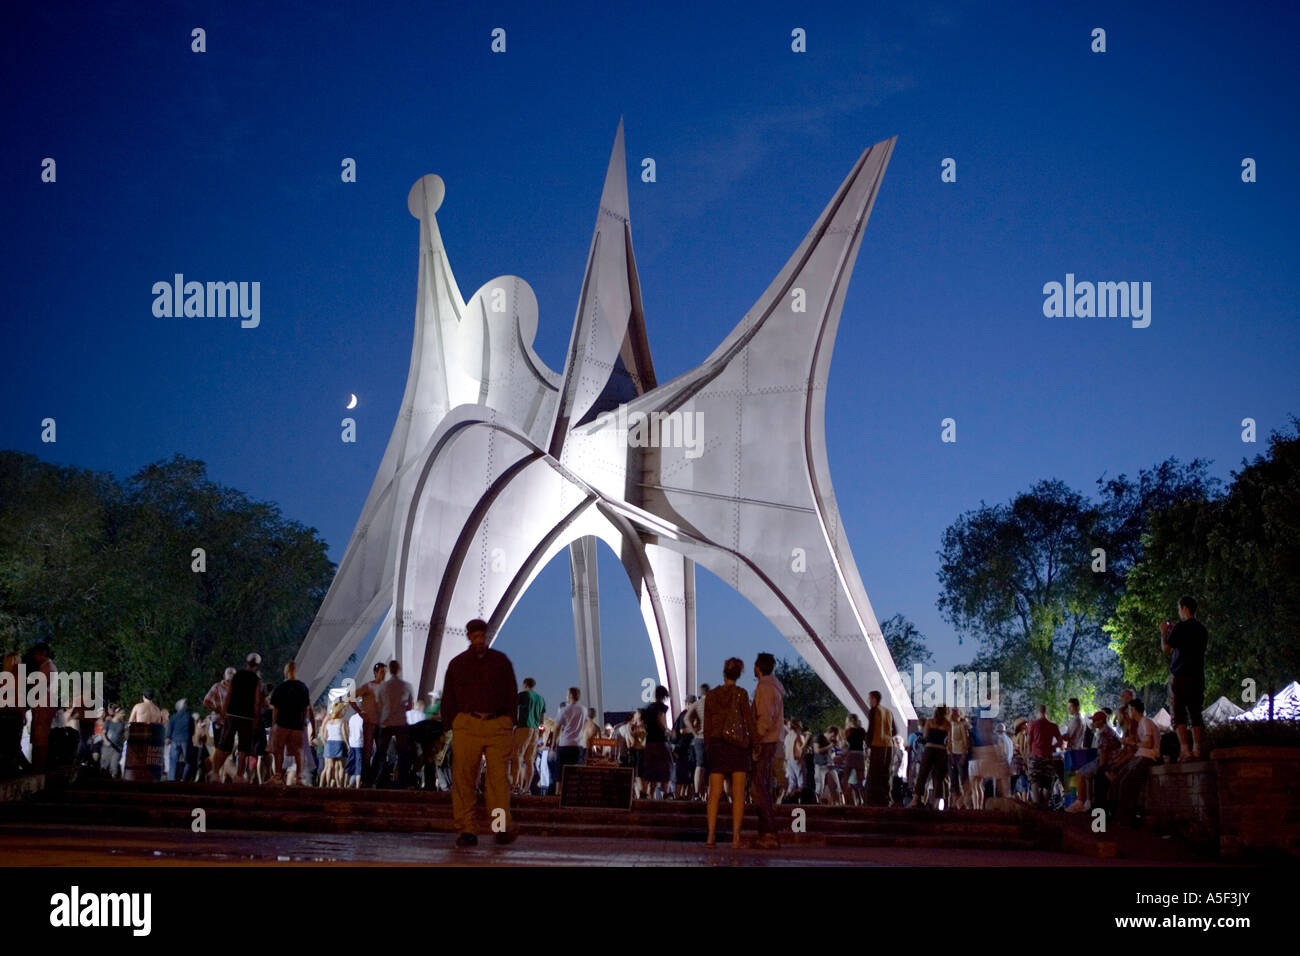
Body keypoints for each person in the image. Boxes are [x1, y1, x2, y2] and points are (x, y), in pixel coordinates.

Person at [441, 619, 519, 847]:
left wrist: (509, 719)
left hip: (496, 725)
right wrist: (451, 723)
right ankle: (467, 830)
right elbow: (449, 697)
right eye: (475, 636)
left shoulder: (500, 661)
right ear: (469, 637)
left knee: (497, 781)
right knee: (464, 779)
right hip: (468, 723)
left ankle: (499, 827)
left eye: (482, 636)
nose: (479, 640)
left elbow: (511, 691)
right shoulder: (457, 664)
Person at [703, 658, 757, 848]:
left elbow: (707, 725)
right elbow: (749, 723)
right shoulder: (741, 694)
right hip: (737, 748)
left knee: (715, 793)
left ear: (723, 673)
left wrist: (709, 746)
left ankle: (710, 836)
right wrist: (754, 744)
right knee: (738, 794)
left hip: (717, 746)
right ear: (739, 674)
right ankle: (735, 838)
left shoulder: (711, 695)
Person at [1161, 596, 1208, 761]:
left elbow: (1166, 648)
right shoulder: (1202, 629)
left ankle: (1185, 750)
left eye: (1179, 608)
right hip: (1197, 676)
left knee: (1179, 713)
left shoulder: (1180, 627)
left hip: (1181, 677)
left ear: (1184, 608)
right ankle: (1197, 749)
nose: (1179, 612)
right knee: (1196, 712)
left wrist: (1164, 632)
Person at [208, 654, 264, 783]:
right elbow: (256, 701)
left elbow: (229, 694)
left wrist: (224, 711)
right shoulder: (256, 680)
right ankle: (239, 775)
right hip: (247, 716)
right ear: (257, 665)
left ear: (246, 662)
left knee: (223, 744)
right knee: (244, 747)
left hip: (232, 714)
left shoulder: (237, 676)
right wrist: (256, 718)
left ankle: (215, 773)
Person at [750, 652, 785, 848]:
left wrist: (756, 740)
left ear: (759, 667)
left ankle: (769, 833)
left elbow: (764, 717)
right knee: (763, 787)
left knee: (758, 788)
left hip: (765, 742)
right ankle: (766, 833)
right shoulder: (775, 687)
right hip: (773, 741)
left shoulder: (764, 688)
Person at [1110, 698, 1160, 825]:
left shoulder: (1146, 722)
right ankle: (1117, 814)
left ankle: (1125, 818)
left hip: (1147, 757)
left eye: (1129, 711)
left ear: (1134, 710)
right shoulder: (1141, 724)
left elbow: (1148, 744)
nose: (1128, 714)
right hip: (1140, 757)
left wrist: (1134, 743)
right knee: (1119, 779)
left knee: (1127, 781)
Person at [267, 662, 313, 785]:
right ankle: (299, 776)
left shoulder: (281, 687)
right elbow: (305, 708)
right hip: (297, 724)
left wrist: (274, 724)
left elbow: (275, 709)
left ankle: (277, 776)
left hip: (282, 723)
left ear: (286, 671)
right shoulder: (303, 687)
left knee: (279, 750)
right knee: (298, 750)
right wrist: (303, 723)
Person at [370, 660, 414, 788]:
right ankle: (402, 782)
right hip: (400, 722)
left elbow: (379, 705)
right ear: (399, 669)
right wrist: (400, 709)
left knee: (380, 752)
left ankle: (373, 780)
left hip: (386, 722)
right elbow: (410, 706)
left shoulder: (383, 687)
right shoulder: (406, 686)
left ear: (389, 670)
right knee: (402, 753)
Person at [1069, 711, 1119, 812]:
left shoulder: (1104, 734)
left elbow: (1103, 755)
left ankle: (1080, 802)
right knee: (1086, 771)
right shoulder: (1109, 731)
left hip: (1108, 762)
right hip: (1113, 760)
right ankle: (1087, 801)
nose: (1093, 722)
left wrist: (1101, 769)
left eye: (1095, 720)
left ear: (1101, 721)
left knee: (1080, 773)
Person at [908, 706, 951, 809]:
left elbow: (925, 736)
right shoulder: (947, 724)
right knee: (938, 777)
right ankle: (937, 802)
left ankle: (915, 799)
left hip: (929, 749)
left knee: (923, 774)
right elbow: (949, 740)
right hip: (941, 750)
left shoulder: (930, 722)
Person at [353, 662, 387, 785]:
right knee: (367, 751)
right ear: (375, 673)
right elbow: (351, 696)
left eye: (385, 672)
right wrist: (360, 712)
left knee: (381, 750)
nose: (383, 674)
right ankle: (366, 779)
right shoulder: (368, 686)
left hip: (381, 723)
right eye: (381, 672)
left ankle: (374, 777)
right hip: (370, 722)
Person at [1025, 705, 1064, 809]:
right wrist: (1052, 747)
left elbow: (1028, 742)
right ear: (1047, 712)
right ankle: (1045, 806)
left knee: (1035, 780)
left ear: (1038, 712)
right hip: (1048, 757)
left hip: (1035, 756)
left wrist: (1029, 755)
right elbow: (1060, 742)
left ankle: (1037, 804)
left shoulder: (1032, 725)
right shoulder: (1053, 726)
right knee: (1047, 782)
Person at [511, 678, 545, 795]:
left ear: (525, 684)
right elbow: (542, 720)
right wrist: (540, 732)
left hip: (523, 727)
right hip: (535, 730)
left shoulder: (522, 695)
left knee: (517, 756)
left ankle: (515, 785)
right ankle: (526, 788)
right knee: (530, 760)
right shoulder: (540, 699)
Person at [865, 691, 897, 807]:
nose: (868, 701)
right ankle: (886, 799)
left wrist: (868, 744)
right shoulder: (888, 712)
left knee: (874, 774)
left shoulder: (874, 711)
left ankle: (873, 800)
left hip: (877, 744)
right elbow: (895, 731)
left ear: (874, 699)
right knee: (885, 773)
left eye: (869, 699)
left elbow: (871, 728)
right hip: (888, 746)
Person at [640, 686, 673, 800]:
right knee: (666, 766)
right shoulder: (662, 707)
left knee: (649, 768)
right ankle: (666, 792)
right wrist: (668, 731)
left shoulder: (648, 708)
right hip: (660, 741)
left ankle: (643, 792)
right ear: (664, 696)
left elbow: (643, 725)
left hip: (649, 742)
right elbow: (660, 719)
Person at [554, 687, 586, 795]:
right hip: (578, 744)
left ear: (570, 696)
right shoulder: (583, 710)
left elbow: (557, 727)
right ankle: (573, 794)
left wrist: (554, 742)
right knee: (575, 770)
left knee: (560, 770)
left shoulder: (564, 710)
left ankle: (558, 792)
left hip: (564, 743)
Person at [687, 684, 710, 798]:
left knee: (699, 765)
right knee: (711, 767)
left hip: (699, 738)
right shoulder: (713, 704)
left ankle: (697, 792)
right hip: (710, 738)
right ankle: (708, 793)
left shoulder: (697, 704)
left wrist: (694, 731)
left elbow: (687, 718)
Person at [320, 700, 348, 787]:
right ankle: (340, 785)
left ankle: (327, 784)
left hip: (329, 743)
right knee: (341, 767)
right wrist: (347, 744)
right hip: (339, 743)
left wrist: (325, 744)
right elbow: (344, 734)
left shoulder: (329, 722)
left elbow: (324, 735)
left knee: (329, 767)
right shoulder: (342, 721)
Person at [947, 707, 971, 809]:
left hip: (960, 753)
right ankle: (954, 802)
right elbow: (949, 741)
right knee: (953, 779)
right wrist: (949, 752)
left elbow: (966, 741)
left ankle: (964, 802)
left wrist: (964, 754)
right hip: (952, 754)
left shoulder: (962, 725)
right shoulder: (950, 726)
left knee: (963, 778)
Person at [166, 699, 194, 782]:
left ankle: (172, 780)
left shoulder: (173, 717)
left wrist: (168, 737)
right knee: (188, 761)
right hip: (186, 740)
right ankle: (184, 778)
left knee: (173, 761)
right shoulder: (189, 717)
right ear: (183, 706)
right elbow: (192, 730)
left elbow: (169, 729)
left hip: (175, 740)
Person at [843, 713, 867, 806]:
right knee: (860, 782)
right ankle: (864, 801)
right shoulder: (862, 730)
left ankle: (847, 803)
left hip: (851, 754)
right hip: (860, 755)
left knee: (846, 779)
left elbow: (845, 744)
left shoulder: (848, 731)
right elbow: (866, 742)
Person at [345, 702, 365, 787]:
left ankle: (345, 783)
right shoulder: (364, 718)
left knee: (349, 764)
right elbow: (363, 731)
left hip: (352, 742)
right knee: (358, 765)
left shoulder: (352, 718)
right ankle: (357, 785)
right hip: (360, 743)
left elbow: (349, 730)